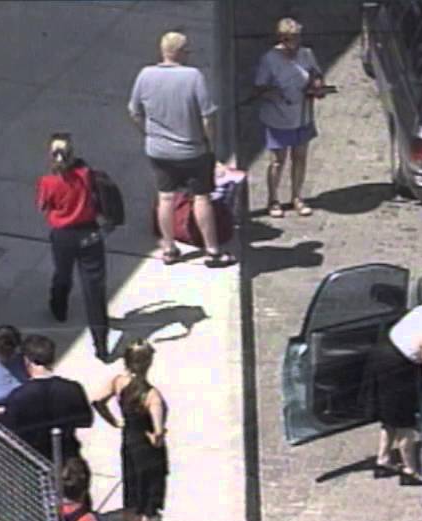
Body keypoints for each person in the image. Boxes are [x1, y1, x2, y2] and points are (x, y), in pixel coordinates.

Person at [128, 31, 236, 268]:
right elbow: (208, 116)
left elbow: (134, 112)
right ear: (177, 52)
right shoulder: (193, 77)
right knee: (202, 198)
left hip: (158, 151)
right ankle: (213, 251)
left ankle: (168, 249)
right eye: (187, 50)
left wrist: (149, 134)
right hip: (193, 151)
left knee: (165, 197)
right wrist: (210, 144)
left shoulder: (145, 75)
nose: (189, 54)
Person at [91, 340, 171, 521]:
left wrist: (115, 421)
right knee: (149, 500)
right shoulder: (152, 396)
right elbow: (156, 434)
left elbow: (97, 401)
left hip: (128, 443)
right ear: (149, 363)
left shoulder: (118, 382)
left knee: (131, 492)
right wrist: (160, 433)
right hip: (149, 452)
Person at [36, 133, 115, 361]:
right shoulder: (86, 175)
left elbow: (42, 206)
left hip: (62, 236)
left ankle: (59, 306)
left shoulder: (47, 182)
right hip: (89, 234)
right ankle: (101, 344)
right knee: (94, 289)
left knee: (63, 273)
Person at [361, 300, 422, 482]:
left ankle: (383, 460)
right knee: (405, 424)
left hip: (383, 353)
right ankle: (410, 470)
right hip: (398, 368)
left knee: (390, 419)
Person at [254, 17, 326, 218]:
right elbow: (260, 87)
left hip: (302, 115)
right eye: (290, 39)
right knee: (278, 160)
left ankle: (296, 197)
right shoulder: (269, 59)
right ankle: (273, 199)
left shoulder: (306, 54)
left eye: (297, 38)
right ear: (282, 38)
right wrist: (276, 95)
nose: (294, 43)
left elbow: (316, 74)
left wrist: (317, 87)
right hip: (278, 117)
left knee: (300, 157)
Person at [1, 334, 94, 461]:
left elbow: (9, 430)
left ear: (27, 361)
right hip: (68, 454)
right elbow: (86, 420)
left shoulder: (18, 396)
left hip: (34, 459)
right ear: (52, 358)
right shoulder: (72, 388)